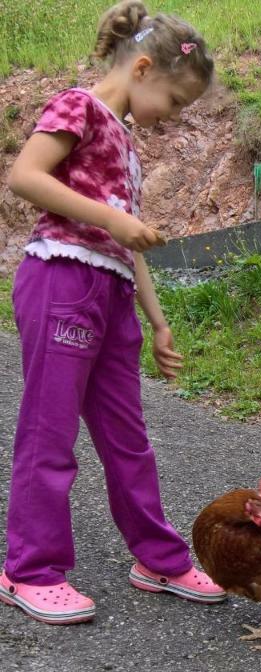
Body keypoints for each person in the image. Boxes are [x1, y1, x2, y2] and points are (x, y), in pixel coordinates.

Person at [1, 1, 227, 625]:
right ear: (144, 67)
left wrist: (157, 322)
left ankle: (158, 556)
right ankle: (29, 569)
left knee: (129, 439)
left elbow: (128, 245)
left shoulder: (127, 143)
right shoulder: (78, 106)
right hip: (61, 278)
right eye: (175, 103)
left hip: (112, 292)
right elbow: (25, 175)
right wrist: (110, 217)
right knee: (51, 433)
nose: (173, 118)